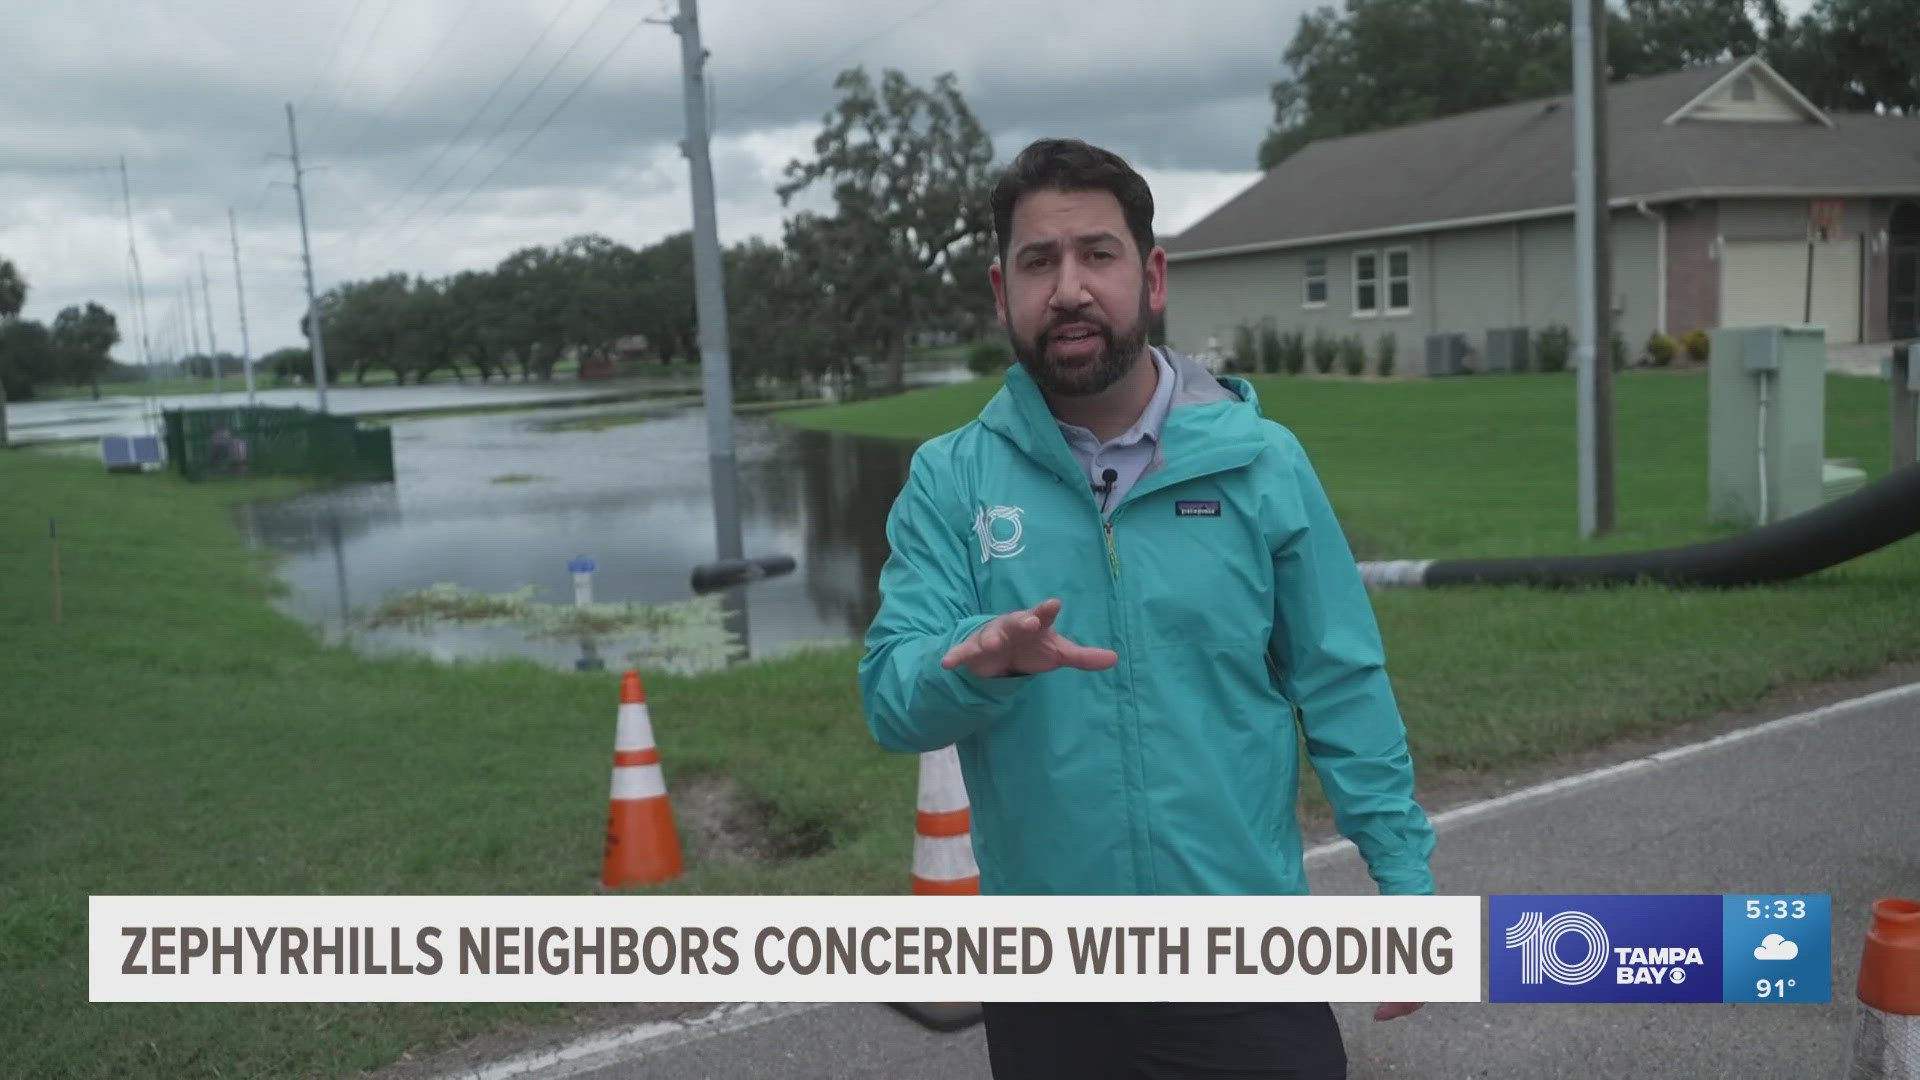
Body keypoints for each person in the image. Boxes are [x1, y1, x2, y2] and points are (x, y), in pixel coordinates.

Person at [858, 138, 1436, 1079]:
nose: (1070, 287)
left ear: (1152, 275)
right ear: (1002, 291)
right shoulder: (949, 480)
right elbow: (890, 698)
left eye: (1098, 254)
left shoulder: (1261, 463)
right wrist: (978, 658)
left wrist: (1404, 879)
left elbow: (1341, 681)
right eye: (1039, 263)